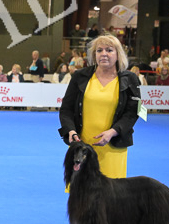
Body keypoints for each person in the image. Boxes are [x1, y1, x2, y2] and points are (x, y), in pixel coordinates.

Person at [59, 34, 141, 180]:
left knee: (111, 191)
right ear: (94, 55)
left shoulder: (130, 79)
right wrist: (70, 130)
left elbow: (133, 112)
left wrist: (113, 132)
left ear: (118, 54)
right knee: (80, 192)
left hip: (113, 147)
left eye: (109, 50)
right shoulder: (79, 76)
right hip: (82, 147)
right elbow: (66, 109)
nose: (104, 54)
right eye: (99, 50)